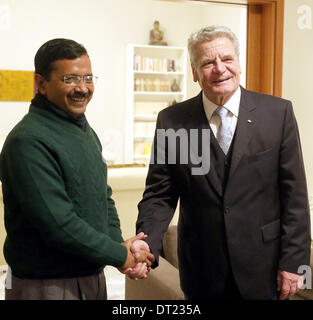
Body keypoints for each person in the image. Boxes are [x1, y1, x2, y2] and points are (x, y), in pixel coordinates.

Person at [132, 25, 311, 300]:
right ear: (194, 72)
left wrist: (294, 262)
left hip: (264, 267)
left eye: (227, 59)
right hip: (201, 269)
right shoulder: (174, 121)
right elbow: (160, 194)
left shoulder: (278, 113)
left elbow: (295, 195)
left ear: (238, 63)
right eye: (207, 62)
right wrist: (147, 243)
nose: (219, 68)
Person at [0, 38, 154, 300]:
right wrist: (121, 255)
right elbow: (59, 225)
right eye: (70, 79)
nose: (82, 88)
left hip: (90, 276)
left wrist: (117, 245)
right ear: (41, 84)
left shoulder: (84, 130)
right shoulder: (27, 141)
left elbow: (102, 196)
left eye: (88, 78)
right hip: (47, 285)